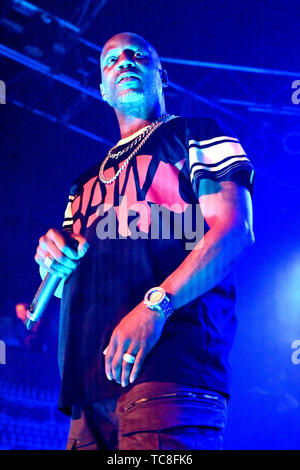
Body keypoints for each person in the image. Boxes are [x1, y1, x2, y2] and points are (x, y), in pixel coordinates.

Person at [35, 32, 255, 450]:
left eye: (138, 55)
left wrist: (157, 305)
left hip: (170, 369)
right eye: (111, 60)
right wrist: (51, 263)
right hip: (89, 388)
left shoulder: (198, 134)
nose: (125, 62)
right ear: (102, 89)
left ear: (162, 74)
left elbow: (234, 231)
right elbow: (68, 286)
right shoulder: (81, 183)